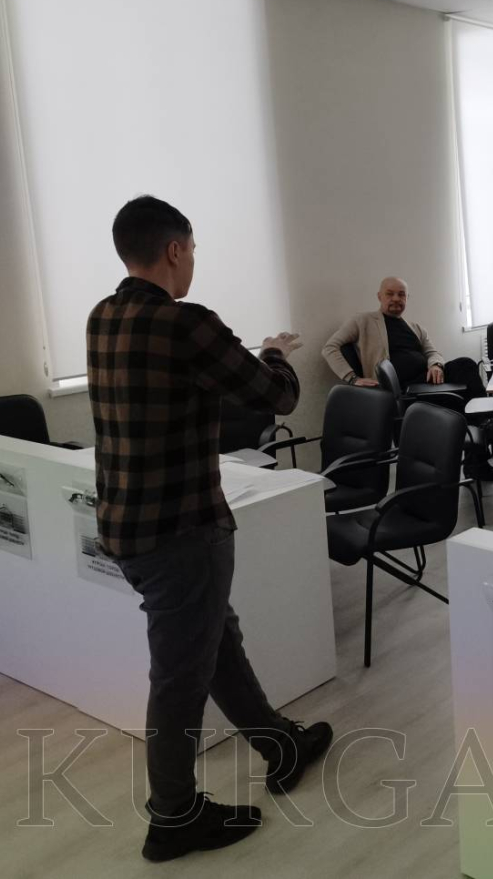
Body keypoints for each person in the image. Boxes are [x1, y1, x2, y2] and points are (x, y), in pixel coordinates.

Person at [86, 196, 331, 862]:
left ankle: (281, 744)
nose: (193, 262)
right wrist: (274, 353)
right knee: (180, 677)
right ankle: (172, 817)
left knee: (213, 640)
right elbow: (277, 396)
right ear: (174, 250)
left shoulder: (102, 316)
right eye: (191, 250)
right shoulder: (186, 323)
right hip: (183, 530)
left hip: (125, 523)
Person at [321, 276, 481, 393]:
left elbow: (433, 352)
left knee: (465, 364)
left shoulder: (416, 328)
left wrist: (435, 365)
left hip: (428, 379)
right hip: (401, 387)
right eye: (390, 294)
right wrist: (352, 378)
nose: (396, 298)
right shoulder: (362, 321)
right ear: (379, 296)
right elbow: (330, 348)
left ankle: (483, 420)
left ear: (407, 298)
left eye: (401, 294)